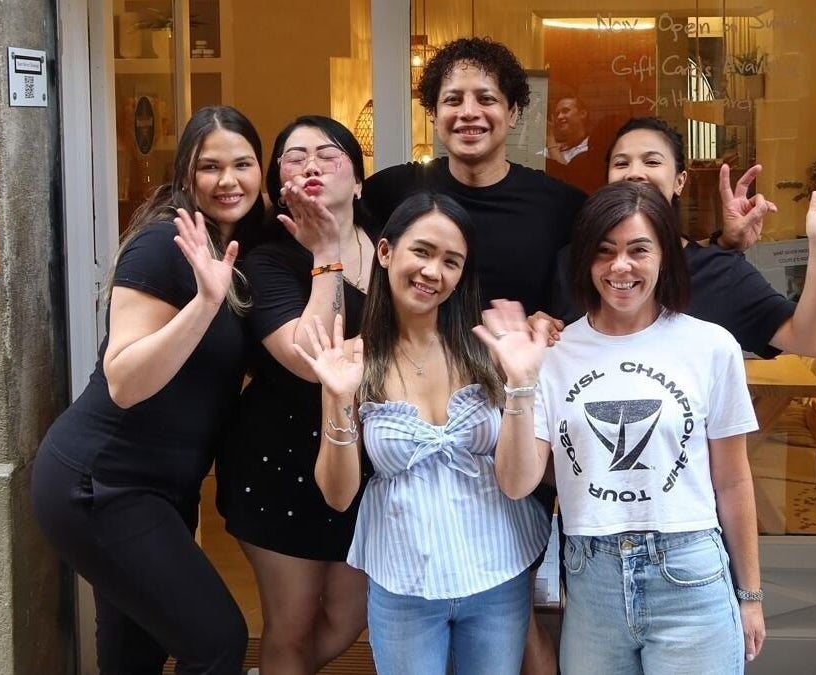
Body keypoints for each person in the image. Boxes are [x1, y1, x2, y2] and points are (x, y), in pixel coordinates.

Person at [363, 38, 777, 675]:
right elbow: (343, 251)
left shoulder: (558, 204)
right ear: (432, 111)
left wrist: (723, 244)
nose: (469, 112)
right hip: (435, 411)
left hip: (536, 412)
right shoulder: (392, 189)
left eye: (487, 98)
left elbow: (631, 250)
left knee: (515, 605)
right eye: (452, 99)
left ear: (514, 111)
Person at [478, 180, 765, 674]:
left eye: (638, 250)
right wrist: (520, 382)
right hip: (592, 576)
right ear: (585, 261)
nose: (620, 267)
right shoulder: (553, 351)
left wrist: (751, 593)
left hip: (690, 567)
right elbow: (516, 481)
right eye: (604, 252)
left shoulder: (711, 346)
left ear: (664, 257)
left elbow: (734, 480)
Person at [30, 105, 264, 674]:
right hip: (101, 483)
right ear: (186, 174)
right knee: (218, 641)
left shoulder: (230, 248)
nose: (228, 180)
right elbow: (125, 380)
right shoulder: (163, 246)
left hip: (158, 488)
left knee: (135, 654)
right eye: (210, 166)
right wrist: (205, 306)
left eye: (243, 163)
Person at [296, 192, 551, 675]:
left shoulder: (489, 352)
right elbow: (337, 495)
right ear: (386, 252)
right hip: (403, 579)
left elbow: (518, 484)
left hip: (496, 574)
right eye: (423, 251)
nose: (434, 272)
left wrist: (522, 386)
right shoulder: (354, 360)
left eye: (451, 262)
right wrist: (335, 399)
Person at [216, 115, 376, 674]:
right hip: (277, 457)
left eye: (327, 154)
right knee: (293, 618)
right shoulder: (265, 260)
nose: (310, 164)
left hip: (363, 461)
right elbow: (314, 360)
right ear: (277, 180)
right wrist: (326, 254)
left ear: (358, 180)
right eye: (293, 155)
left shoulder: (391, 248)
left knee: (346, 617)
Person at [554, 116, 816, 359]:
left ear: (680, 180)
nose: (635, 172)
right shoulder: (574, 262)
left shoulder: (717, 271)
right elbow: (552, 338)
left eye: (652, 161)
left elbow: (806, 339)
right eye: (621, 162)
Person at [542, 96, 602, 194]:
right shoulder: (555, 148)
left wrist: (550, 139)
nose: (559, 117)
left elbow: (569, 180)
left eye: (565, 111)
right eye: (557, 114)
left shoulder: (592, 147)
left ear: (583, 114)